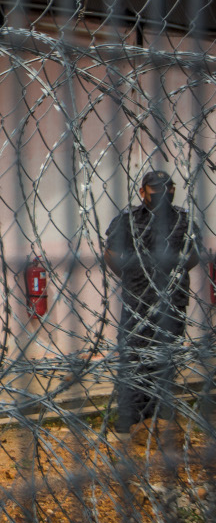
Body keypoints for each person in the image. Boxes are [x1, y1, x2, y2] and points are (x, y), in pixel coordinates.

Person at [104, 170, 199, 443]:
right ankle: (128, 424)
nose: (162, 193)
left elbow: (194, 254)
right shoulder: (128, 220)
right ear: (142, 192)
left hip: (172, 302)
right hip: (137, 303)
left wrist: (172, 274)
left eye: (167, 188)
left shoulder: (183, 220)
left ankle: (157, 422)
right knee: (133, 361)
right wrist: (133, 275)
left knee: (164, 361)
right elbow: (110, 251)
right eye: (155, 188)